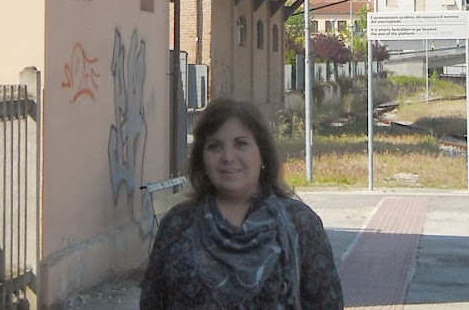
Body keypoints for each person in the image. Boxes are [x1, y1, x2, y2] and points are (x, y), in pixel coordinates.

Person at [140, 98, 343, 309]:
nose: (228, 156)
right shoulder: (177, 225)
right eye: (214, 146)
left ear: (262, 152)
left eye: (241, 144)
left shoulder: (300, 224)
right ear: (202, 157)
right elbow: (151, 302)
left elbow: (327, 303)